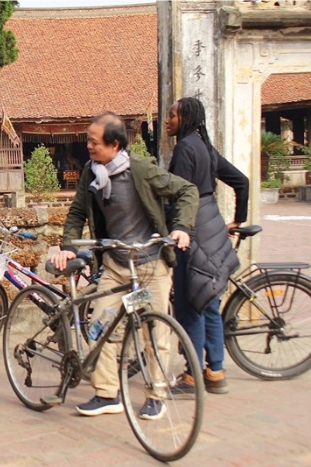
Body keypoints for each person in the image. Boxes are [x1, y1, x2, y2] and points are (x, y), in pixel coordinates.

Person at [49, 112, 198, 419]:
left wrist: (181, 227)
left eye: (94, 142)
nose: (88, 146)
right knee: (101, 325)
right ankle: (106, 393)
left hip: (150, 265)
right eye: (88, 140)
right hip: (117, 264)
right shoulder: (92, 172)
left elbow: (187, 191)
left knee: (154, 332)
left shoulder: (142, 170)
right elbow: (77, 214)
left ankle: (156, 393)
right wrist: (67, 247)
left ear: (114, 145)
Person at [165, 97, 249, 395]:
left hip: (193, 229)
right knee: (209, 300)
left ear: (185, 116)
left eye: (172, 115)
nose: (167, 120)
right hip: (213, 222)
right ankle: (215, 370)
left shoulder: (185, 148)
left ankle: (192, 375)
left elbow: (178, 196)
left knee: (191, 303)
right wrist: (237, 220)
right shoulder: (204, 147)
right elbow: (242, 181)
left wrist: (168, 230)